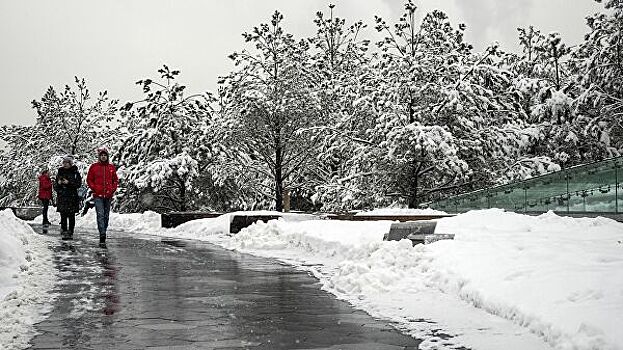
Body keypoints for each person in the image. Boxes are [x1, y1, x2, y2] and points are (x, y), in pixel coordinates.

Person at [87, 147, 118, 245]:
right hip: (98, 195)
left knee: (106, 215)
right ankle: (102, 233)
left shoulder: (111, 167)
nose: (103, 157)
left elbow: (115, 180)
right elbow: (89, 179)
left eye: (105, 155)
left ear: (107, 156)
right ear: (99, 157)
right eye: (102, 155)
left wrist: (112, 189)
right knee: (100, 214)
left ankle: (104, 230)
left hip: (108, 195)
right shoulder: (94, 167)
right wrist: (94, 188)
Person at [54, 156, 82, 239]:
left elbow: (78, 184)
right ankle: (64, 229)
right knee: (63, 214)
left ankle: (70, 230)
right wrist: (59, 183)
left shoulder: (75, 172)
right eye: (64, 162)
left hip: (72, 196)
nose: (65, 164)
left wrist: (68, 182)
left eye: (67, 162)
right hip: (62, 196)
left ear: (70, 163)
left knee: (71, 215)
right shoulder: (60, 172)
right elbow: (55, 186)